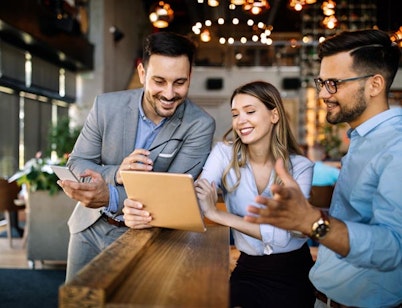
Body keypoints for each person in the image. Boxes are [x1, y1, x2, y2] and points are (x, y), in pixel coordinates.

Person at [245, 29, 402, 308]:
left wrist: (313, 222)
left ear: (375, 85)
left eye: (333, 83)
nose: (321, 94)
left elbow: (394, 247)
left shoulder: (395, 146)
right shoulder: (363, 137)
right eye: (321, 82)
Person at [58, 32, 215, 282]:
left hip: (148, 236)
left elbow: (171, 194)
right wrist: (117, 174)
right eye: (159, 81)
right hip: (88, 229)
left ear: (190, 77)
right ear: (142, 73)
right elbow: (77, 162)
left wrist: (109, 196)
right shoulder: (105, 106)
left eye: (179, 82)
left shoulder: (200, 125)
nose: (169, 93)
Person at [194, 81, 315, 307]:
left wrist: (217, 215)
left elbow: (280, 237)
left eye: (250, 112)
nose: (241, 121)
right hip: (249, 268)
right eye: (235, 114)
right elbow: (200, 193)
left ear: (274, 115)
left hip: (294, 272)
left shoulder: (301, 167)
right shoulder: (223, 153)